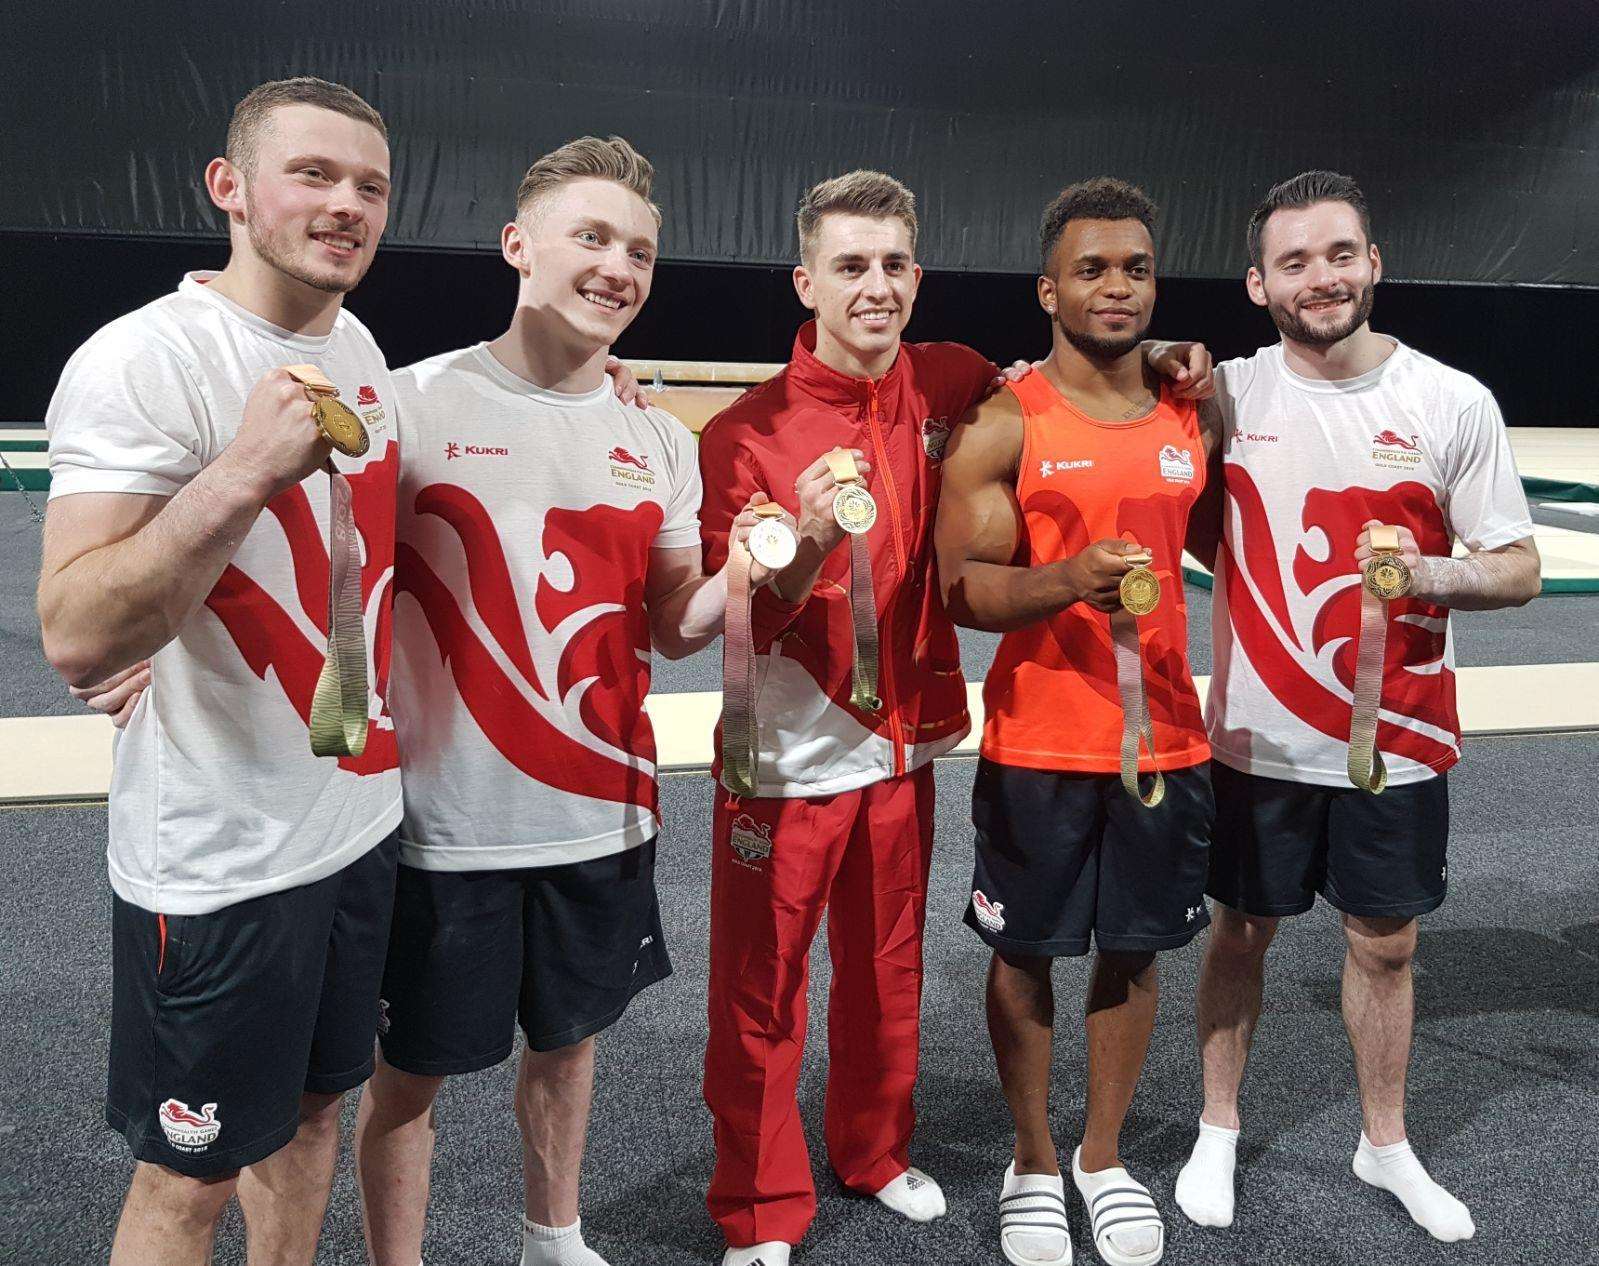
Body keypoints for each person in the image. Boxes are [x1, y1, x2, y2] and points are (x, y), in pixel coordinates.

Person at [695, 169, 1212, 1266]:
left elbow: (1065, 379)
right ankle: (758, 1207)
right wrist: (807, 540)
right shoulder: (742, 432)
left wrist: (1172, 361)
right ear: (805, 281)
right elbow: (730, 610)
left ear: (918, 276)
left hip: (904, 743)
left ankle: (873, 1153)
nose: (874, 288)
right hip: (782, 755)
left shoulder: (955, 384)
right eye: (849, 267)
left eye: (892, 266)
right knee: (761, 990)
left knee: (888, 969)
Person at [351, 135, 779, 1266]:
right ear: (518, 247)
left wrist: (757, 573)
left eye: (639, 249)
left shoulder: (656, 437)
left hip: (603, 812)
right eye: (590, 237)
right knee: (409, 1077)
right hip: (445, 826)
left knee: (571, 1042)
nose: (617, 267)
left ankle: (556, 1236)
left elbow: (674, 626)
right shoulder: (411, 405)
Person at [38, 77, 401, 1266]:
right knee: (185, 1182)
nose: (345, 204)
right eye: (313, 173)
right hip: (216, 859)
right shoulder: (145, 358)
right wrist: (243, 470)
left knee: (309, 1124)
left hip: (352, 822)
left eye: (369, 185)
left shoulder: (357, 346)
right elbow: (77, 630)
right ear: (230, 188)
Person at [1173, 170, 1540, 1244]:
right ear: (1257, 283)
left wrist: (1427, 576)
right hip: (1257, 736)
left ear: (1374, 262)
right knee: (1239, 934)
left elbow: (1514, 567)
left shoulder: (1450, 400)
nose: (1320, 278)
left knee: (1386, 948)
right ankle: (1218, 1127)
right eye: (1294, 262)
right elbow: (1199, 536)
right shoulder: (1227, 396)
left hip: (1400, 739)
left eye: (1340, 254)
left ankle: (1384, 1144)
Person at [935, 177, 1219, 1266]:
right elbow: (965, 590)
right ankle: (1033, 1158)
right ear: (1048, 288)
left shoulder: (1193, 404)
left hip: (1167, 739)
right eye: (1093, 268)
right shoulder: (1007, 422)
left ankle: (1104, 1156)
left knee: (1137, 949)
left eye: (1137, 268)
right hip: (1040, 741)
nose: (1117, 286)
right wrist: (1065, 585)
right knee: (1027, 952)